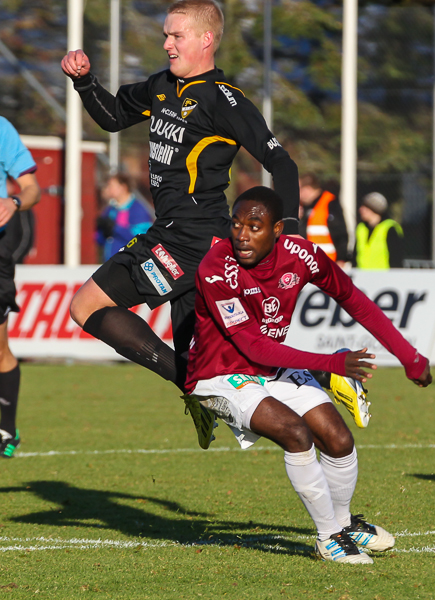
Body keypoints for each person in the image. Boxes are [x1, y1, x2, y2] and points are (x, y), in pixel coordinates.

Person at [60, 0, 302, 448]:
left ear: (206, 39)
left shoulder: (224, 99)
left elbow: (280, 163)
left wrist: (290, 233)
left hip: (192, 237)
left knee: (85, 307)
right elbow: (113, 117)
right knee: (213, 367)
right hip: (179, 235)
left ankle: (195, 386)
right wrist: (84, 82)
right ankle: (309, 384)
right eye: (166, 35)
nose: (167, 44)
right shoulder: (161, 86)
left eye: (177, 36)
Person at [184, 186, 431, 563]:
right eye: (236, 225)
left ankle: (344, 526)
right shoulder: (216, 267)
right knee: (296, 434)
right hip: (221, 374)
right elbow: (252, 346)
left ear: (278, 229)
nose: (242, 235)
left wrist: (409, 356)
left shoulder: (302, 255)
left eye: (254, 226)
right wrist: (330, 364)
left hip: (272, 368)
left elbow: (354, 299)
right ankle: (328, 539)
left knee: (338, 438)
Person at [0, 116, 41, 457]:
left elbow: (32, 190)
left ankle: (6, 430)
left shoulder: (2, 129)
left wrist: (13, 202)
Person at [96, 173, 154, 261]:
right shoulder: (110, 210)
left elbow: (141, 237)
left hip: (129, 263)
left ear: (123, 187)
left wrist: (115, 228)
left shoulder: (137, 209)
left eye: (111, 186)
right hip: (110, 262)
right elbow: (99, 239)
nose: (108, 189)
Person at [299, 173, 349, 268]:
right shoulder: (302, 208)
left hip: (328, 262)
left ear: (307, 189)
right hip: (308, 263)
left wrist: (341, 258)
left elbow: (341, 233)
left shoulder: (330, 203)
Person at [353, 192, 404, 269]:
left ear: (374, 209)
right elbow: (355, 255)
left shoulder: (389, 228)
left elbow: (396, 258)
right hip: (362, 277)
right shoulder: (361, 228)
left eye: (365, 207)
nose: (360, 209)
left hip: (383, 278)